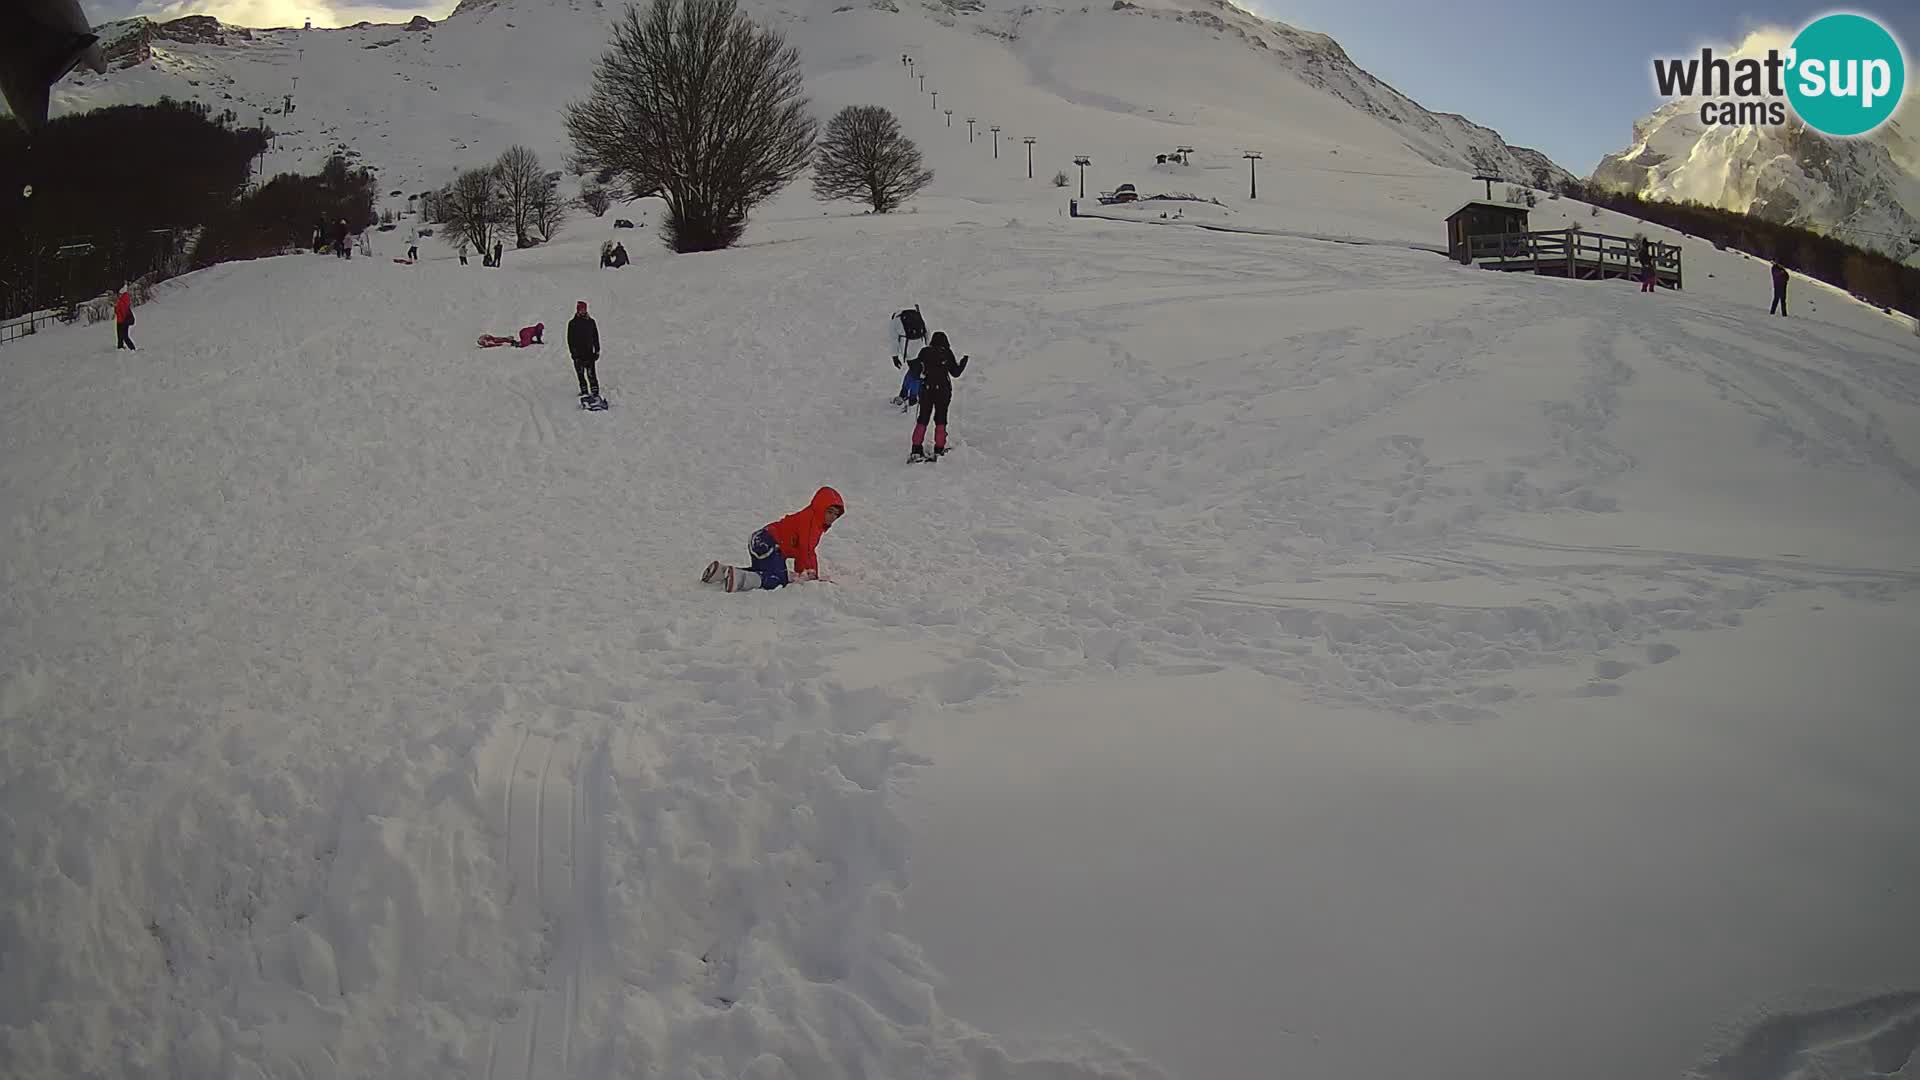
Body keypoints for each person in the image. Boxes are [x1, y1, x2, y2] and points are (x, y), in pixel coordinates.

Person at [702, 487, 845, 592]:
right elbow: (806, 551)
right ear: (820, 508)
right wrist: (810, 576)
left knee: (762, 571)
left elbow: (807, 551)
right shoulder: (810, 524)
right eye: (829, 512)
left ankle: (722, 572)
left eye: (836, 514)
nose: (832, 517)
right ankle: (739, 580)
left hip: (761, 539)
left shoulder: (813, 522)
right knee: (778, 579)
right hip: (769, 543)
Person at [909, 331, 969, 461]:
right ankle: (939, 448)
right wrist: (963, 362)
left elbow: (918, 369)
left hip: (927, 389)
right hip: (943, 390)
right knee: (941, 419)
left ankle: (916, 448)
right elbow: (955, 373)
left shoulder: (924, 352)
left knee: (923, 418)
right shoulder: (946, 353)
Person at [888, 305, 927, 406]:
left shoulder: (895, 322)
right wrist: (928, 346)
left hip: (909, 352)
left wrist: (895, 357)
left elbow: (894, 341)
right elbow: (926, 330)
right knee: (915, 372)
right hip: (921, 348)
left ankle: (912, 397)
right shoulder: (916, 314)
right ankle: (905, 394)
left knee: (915, 374)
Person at [567, 301, 600, 401]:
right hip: (578, 354)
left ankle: (595, 393)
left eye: (584, 309)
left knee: (591, 374)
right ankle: (584, 392)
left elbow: (595, 337)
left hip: (589, 353)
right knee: (580, 374)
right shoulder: (572, 323)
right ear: (577, 310)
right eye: (581, 309)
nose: (583, 311)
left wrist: (597, 350)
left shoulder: (591, 322)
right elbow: (570, 340)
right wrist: (573, 353)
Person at [114, 284, 135, 350]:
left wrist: (116, 308)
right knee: (121, 335)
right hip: (122, 320)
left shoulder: (122, 301)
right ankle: (120, 347)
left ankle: (132, 348)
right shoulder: (125, 298)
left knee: (123, 336)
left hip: (122, 321)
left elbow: (121, 311)